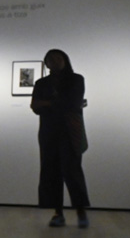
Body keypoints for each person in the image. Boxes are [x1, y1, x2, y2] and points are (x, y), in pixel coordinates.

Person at [30, 48, 90, 228]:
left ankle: (81, 211)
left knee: (72, 171)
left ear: (65, 60)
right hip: (48, 132)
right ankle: (58, 213)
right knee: (51, 171)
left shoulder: (76, 79)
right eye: (50, 59)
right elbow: (34, 106)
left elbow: (72, 103)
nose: (54, 62)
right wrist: (59, 103)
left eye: (58, 58)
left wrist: (47, 103)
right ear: (46, 63)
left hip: (70, 131)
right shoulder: (41, 83)